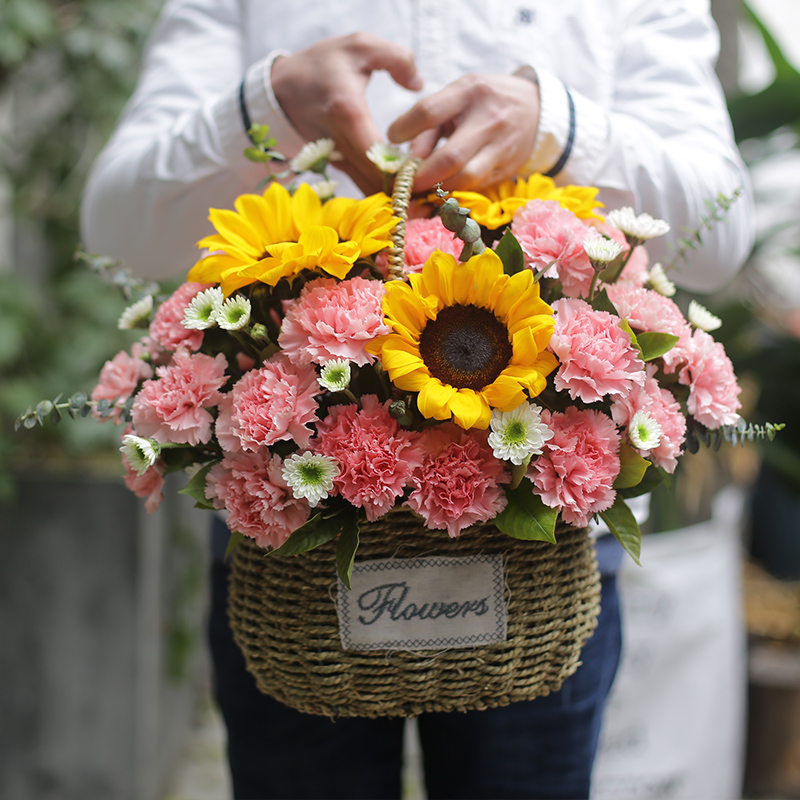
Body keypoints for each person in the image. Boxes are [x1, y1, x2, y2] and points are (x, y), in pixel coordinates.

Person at [80, 2, 754, 798]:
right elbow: (115, 228)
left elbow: (722, 236)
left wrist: (563, 128)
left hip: (541, 537)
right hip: (293, 537)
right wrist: (267, 105)